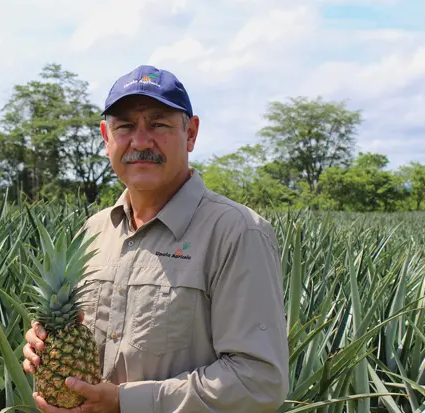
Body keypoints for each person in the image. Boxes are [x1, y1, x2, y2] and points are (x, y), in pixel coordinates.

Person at [22, 64, 289, 413]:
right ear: (106, 137)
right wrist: (46, 344)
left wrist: (125, 403)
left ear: (190, 134)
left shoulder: (236, 231)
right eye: (125, 127)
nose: (141, 141)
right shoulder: (92, 232)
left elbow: (259, 382)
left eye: (159, 124)